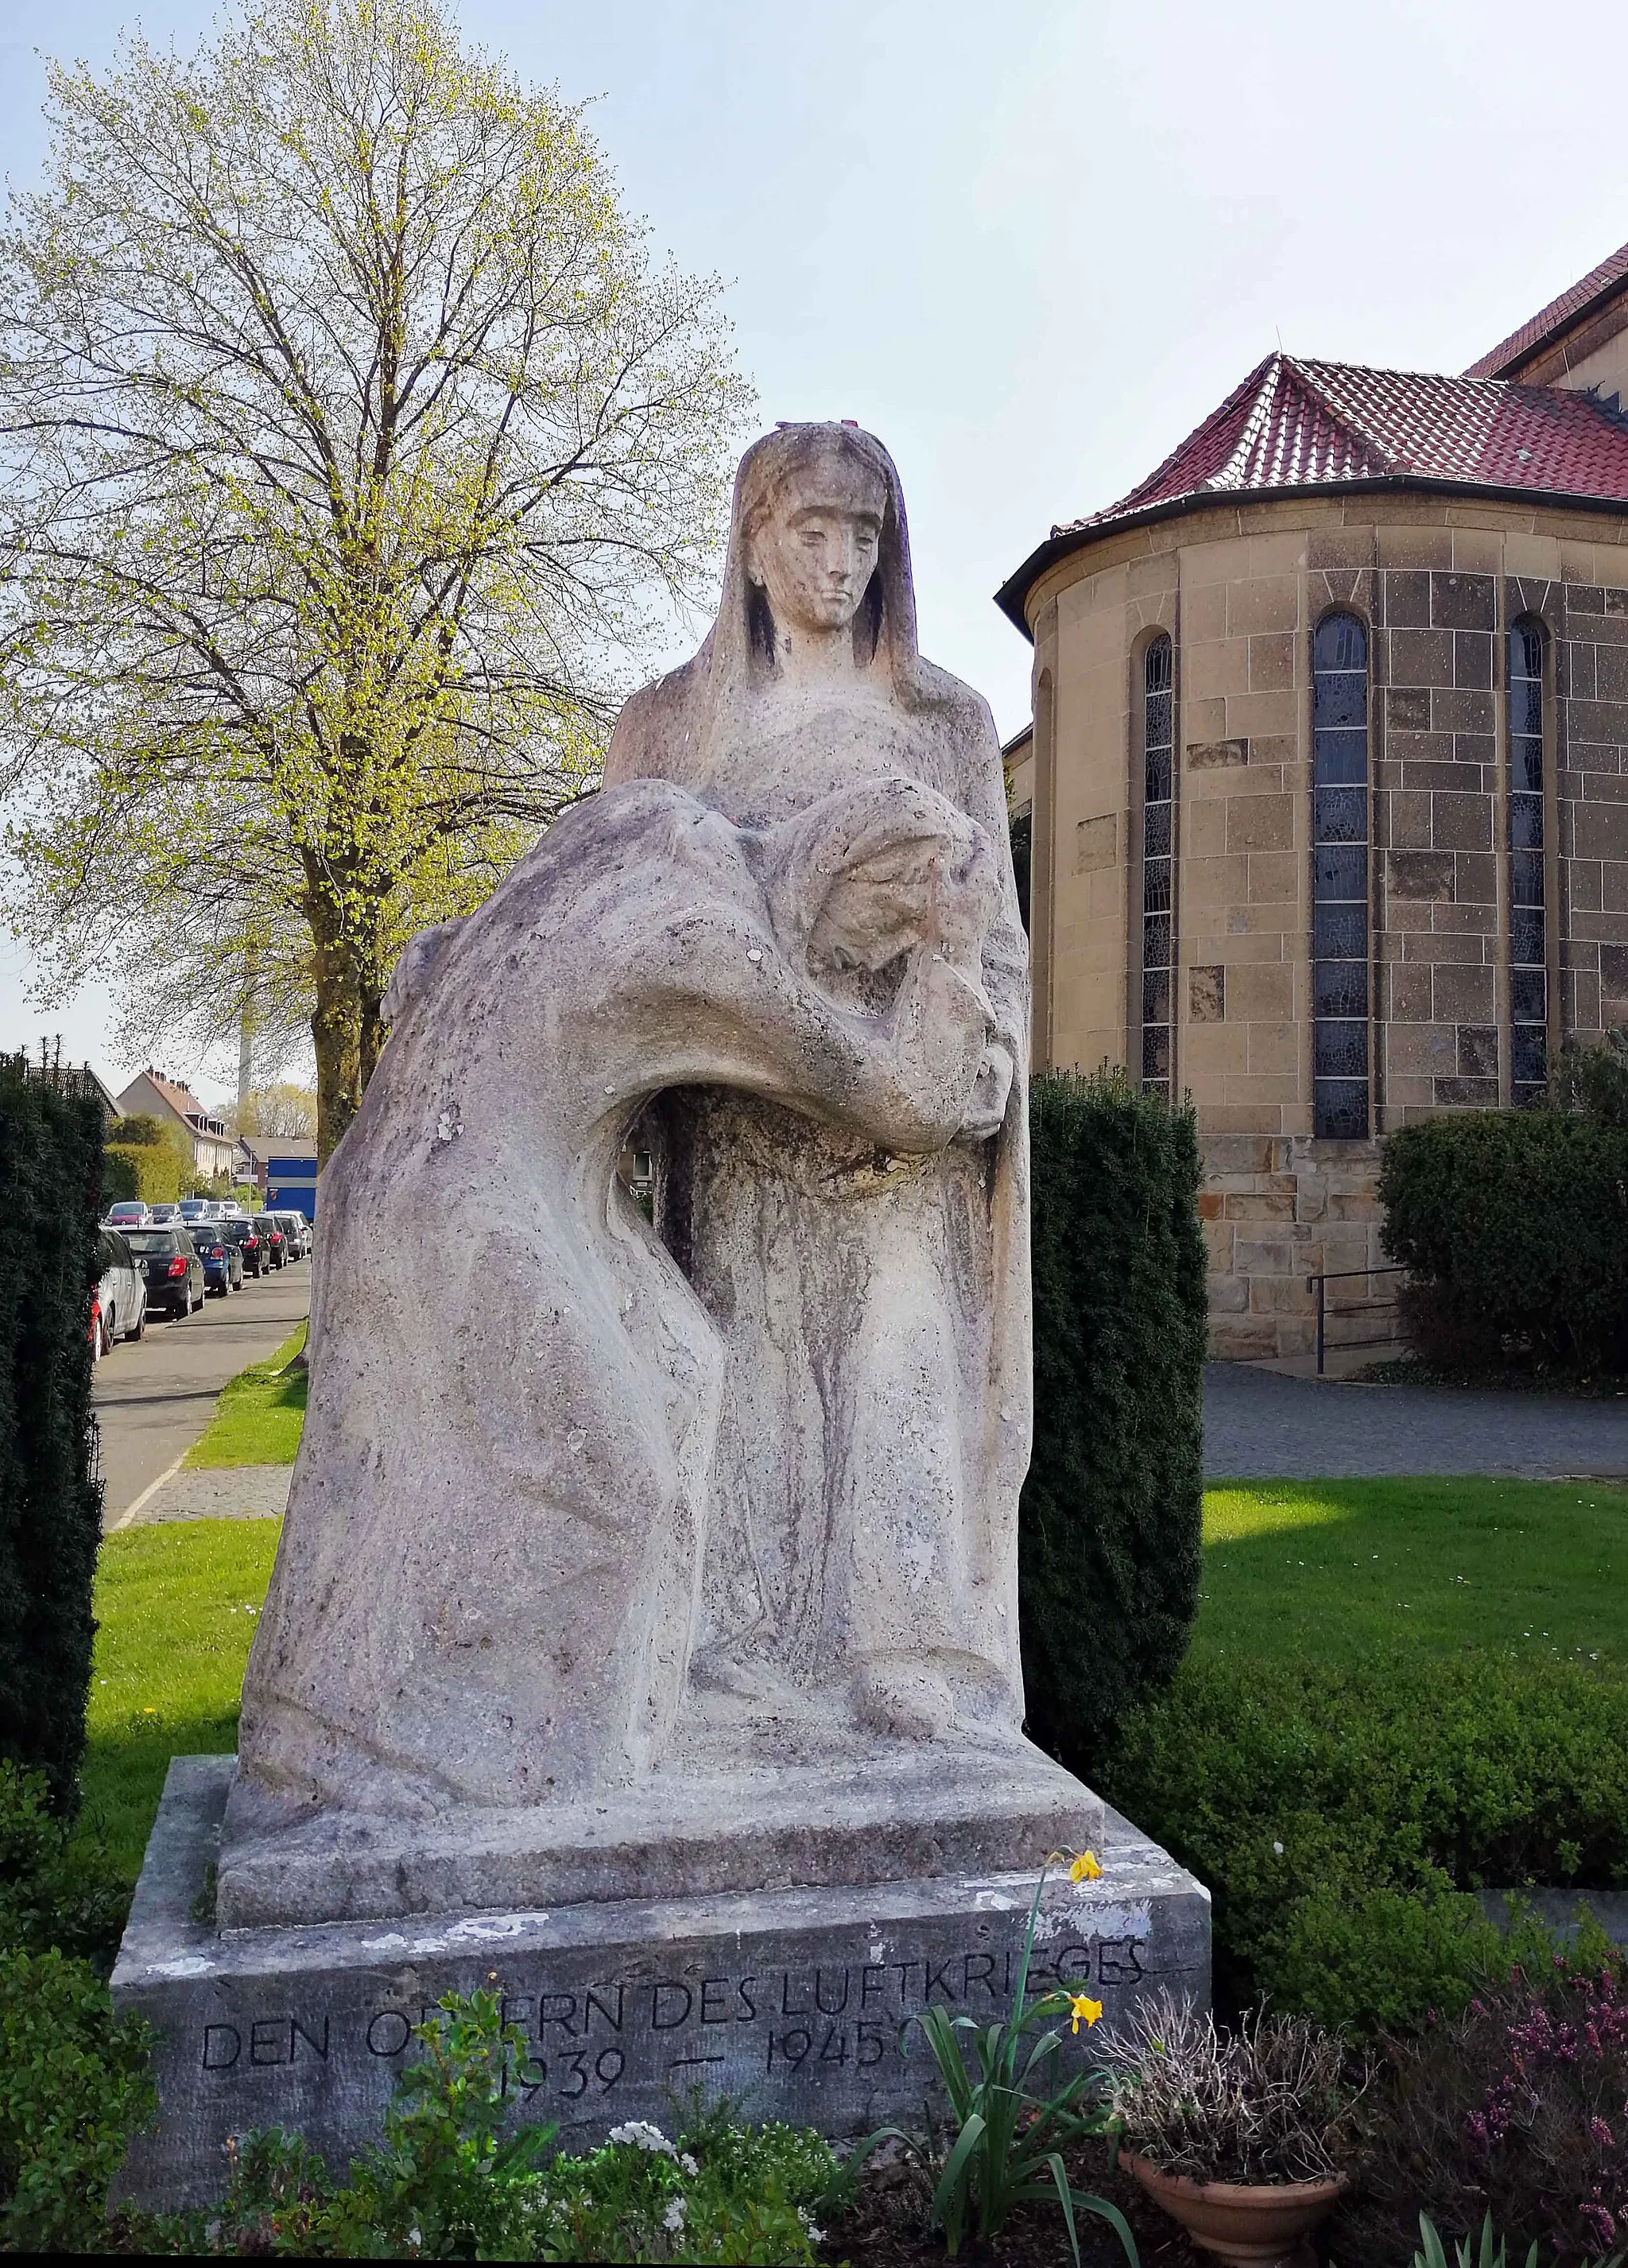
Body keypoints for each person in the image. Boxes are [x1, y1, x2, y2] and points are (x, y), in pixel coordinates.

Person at [607, 422, 1032, 1751]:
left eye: (866, 534)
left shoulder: (945, 722)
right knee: (743, 1399)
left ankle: (909, 1659)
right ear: (753, 537)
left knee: (902, 1373)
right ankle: (723, 1662)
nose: (841, 560)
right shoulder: (668, 728)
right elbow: (624, 927)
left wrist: (958, 1069)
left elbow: (997, 944)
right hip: (736, 1142)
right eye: (813, 530)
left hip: (896, 1152)